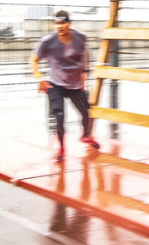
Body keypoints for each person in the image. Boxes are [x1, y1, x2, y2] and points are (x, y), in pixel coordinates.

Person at [30, 10, 99, 161]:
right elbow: (33, 60)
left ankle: (85, 135)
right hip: (55, 84)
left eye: (63, 23)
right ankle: (61, 148)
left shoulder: (80, 38)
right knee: (59, 117)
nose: (60, 26)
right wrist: (39, 77)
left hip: (75, 84)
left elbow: (84, 55)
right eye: (57, 23)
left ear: (69, 24)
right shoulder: (47, 42)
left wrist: (84, 78)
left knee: (87, 113)